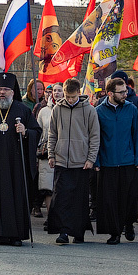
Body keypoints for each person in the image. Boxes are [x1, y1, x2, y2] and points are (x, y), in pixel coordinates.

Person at [0, 72, 41, 246]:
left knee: (14, 197)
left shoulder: (23, 110)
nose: (2, 92)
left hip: (15, 165)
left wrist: (26, 132)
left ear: (13, 91)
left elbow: (37, 132)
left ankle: (15, 235)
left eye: (6, 89)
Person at [46, 78, 100, 244]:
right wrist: (51, 154)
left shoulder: (89, 110)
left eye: (73, 96)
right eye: (68, 96)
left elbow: (94, 136)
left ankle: (78, 231)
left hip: (81, 162)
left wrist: (91, 158)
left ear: (79, 93)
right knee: (61, 198)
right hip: (62, 160)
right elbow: (52, 133)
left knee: (79, 200)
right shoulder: (57, 109)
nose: (70, 100)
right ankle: (63, 232)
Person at [95, 76, 138, 244]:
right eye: (122, 92)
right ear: (110, 93)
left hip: (128, 162)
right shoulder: (99, 111)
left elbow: (137, 134)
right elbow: (96, 138)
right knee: (111, 201)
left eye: (126, 91)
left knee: (129, 198)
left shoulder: (131, 109)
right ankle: (115, 232)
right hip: (108, 163)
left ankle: (129, 224)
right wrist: (96, 161)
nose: (126, 94)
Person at [34, 82, 63, 214]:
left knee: (62, 187)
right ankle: (51, 217)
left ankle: (61, 216)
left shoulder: (67, 109)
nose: (56, 93)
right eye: (54, 90)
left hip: (63, 152)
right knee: (47, 187)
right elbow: (38, 132)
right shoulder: (43, 111)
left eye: (59, 90)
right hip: (46, 153)